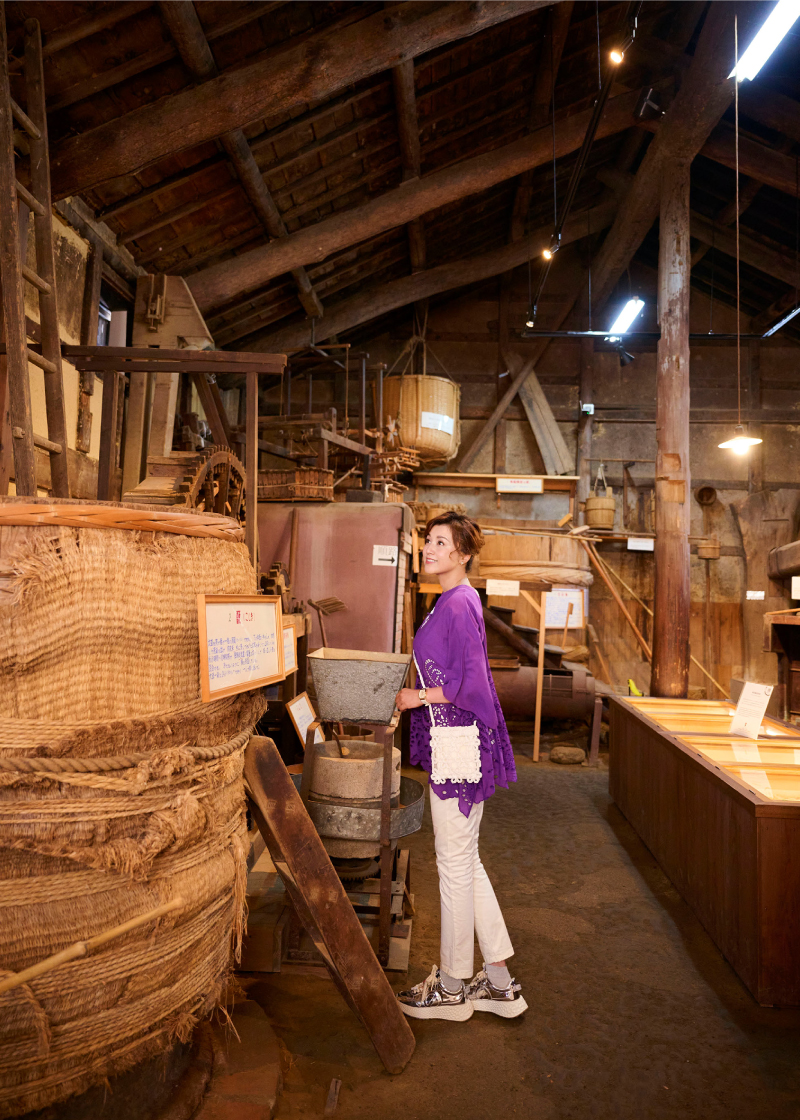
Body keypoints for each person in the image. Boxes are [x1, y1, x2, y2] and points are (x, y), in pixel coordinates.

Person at [394, 511, 526, 1022]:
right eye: (427, 540)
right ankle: (498, 982)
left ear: (463, 554)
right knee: (464, 860)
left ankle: (451, 988)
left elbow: (470, 682)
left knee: (453, 864)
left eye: (440, 542)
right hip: (454, 737)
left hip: (459, 740)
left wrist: (417, 697)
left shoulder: (460, 602)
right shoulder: (448, 599)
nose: (428, 548)